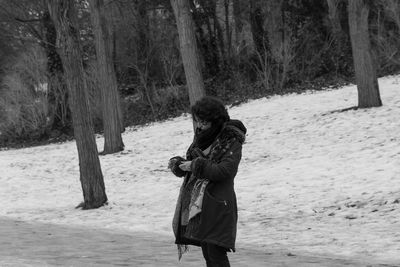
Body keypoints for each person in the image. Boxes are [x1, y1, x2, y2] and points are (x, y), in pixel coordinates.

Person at [168, 96, 247, 267]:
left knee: (216, 254)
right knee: (208, 254)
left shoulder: (230, 139)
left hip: (219, 205)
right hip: (199, 205)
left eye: (203, 122)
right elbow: (195, 163)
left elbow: (225, 171)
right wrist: (181, 165)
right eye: (197, 121)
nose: (199, 126)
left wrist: (196, 165)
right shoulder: (203, 138)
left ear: (215, 120)